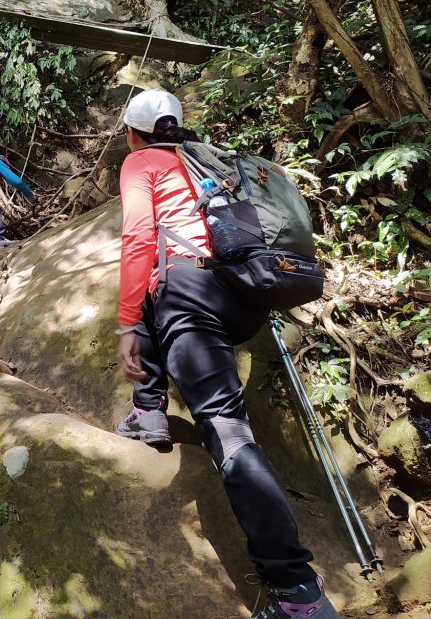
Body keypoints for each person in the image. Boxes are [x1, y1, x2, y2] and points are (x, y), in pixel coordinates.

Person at [112, 90, 340, 619]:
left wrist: (125, 323)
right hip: (243, 295)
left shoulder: (141, 161)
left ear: (132, 132)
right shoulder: (208, 157)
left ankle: (297, 592)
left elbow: (139, 236)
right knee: (154, 291)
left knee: (226, 429)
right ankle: (150, 411)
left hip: (191, 295)